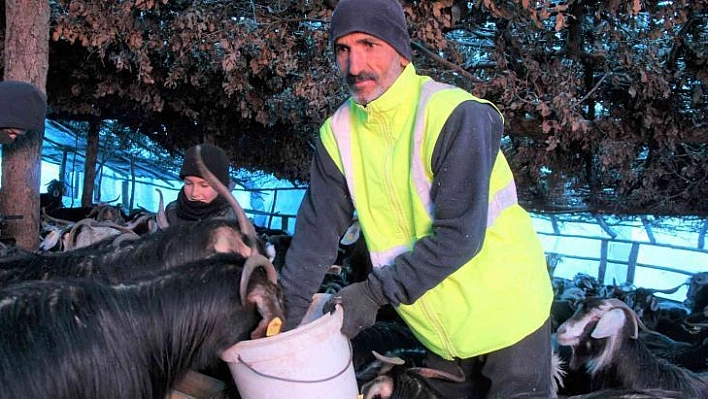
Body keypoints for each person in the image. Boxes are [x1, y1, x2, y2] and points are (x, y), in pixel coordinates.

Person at [279, 0, 554, 398]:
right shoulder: (337, 135)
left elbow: (459, 236)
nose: (355, 66)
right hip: (439, 332)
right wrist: (281, 320)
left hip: (509, 316)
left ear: (400, 50)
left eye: (368, 44)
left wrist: (373, 294)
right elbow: (315, 236)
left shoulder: (453, 115)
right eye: (343, 49)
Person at [165, 143, 238, 225]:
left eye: (204, 185)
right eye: (188, 183)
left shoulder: (232, 219)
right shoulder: (172, 210)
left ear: (221, 186)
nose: (194, 193)